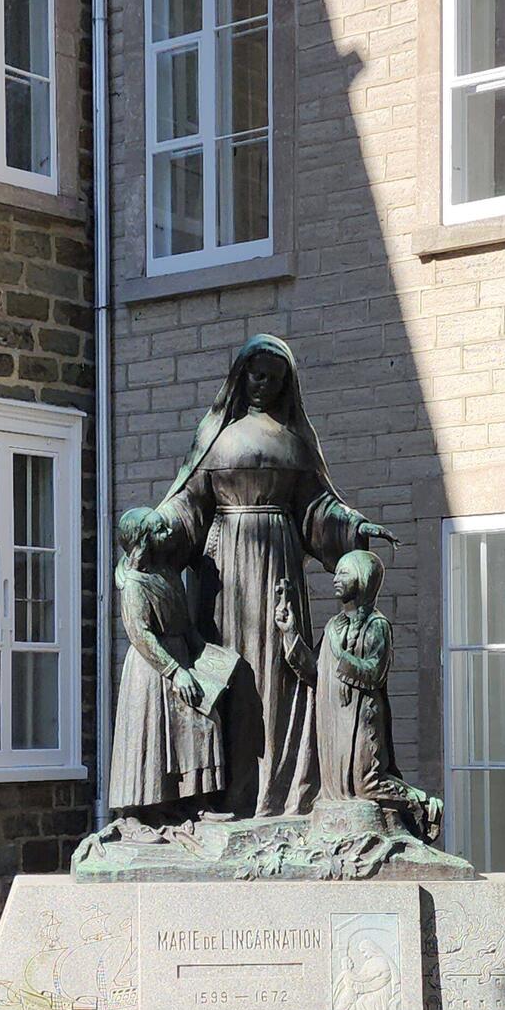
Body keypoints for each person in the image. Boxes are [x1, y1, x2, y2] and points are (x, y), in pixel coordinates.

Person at [150, 334, 398, 819]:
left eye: (274, 377)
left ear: (286, 384)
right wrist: (157, 530)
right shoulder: (213, 437)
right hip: (222, 572)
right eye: (256, 374)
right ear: (241, 376)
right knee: (229, 674)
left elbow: (317, 508)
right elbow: (188, 504)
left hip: (278, 565)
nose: (263, 384)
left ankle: (283, 791)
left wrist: (353, 525)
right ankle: (224, 795)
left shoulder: (294, 439)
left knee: (280, 677)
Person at [275, 549, 443, 843]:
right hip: (332, 718)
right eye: (336, 573)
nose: (335, 579)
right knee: (337, 785)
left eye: (344, 573)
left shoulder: (377, 625)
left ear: (364, 579)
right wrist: (290, 634)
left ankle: (422, 804)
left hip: (362, 715)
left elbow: (375, 671)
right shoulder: (333, 626)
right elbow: (315, 670)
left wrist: (341, 658)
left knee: (366, 781)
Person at [107, 506, 238, 813]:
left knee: (204, 724)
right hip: (153, 666)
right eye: (159, 531)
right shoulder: (135, 585)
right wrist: (176, 672)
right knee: (150, 740)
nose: (168, 535)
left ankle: (197, 803)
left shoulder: (168, 574)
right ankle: (136, 814)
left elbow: (187, 625)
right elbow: (141, 634)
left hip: (182, 655)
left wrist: (210, 658)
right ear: (144, 541)